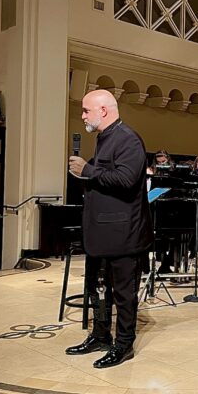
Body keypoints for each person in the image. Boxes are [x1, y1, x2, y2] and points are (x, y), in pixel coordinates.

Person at [66, 90, 153, 369]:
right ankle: (100, 335)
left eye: (86, 110)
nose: (82, 116)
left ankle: (123, 344)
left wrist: (87, 170)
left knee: (123, 294)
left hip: (123, 234)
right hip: (102, 233)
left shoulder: (128, 139)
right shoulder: (105, 137)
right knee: (98, 288)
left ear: (103, 110)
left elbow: (127, 180)